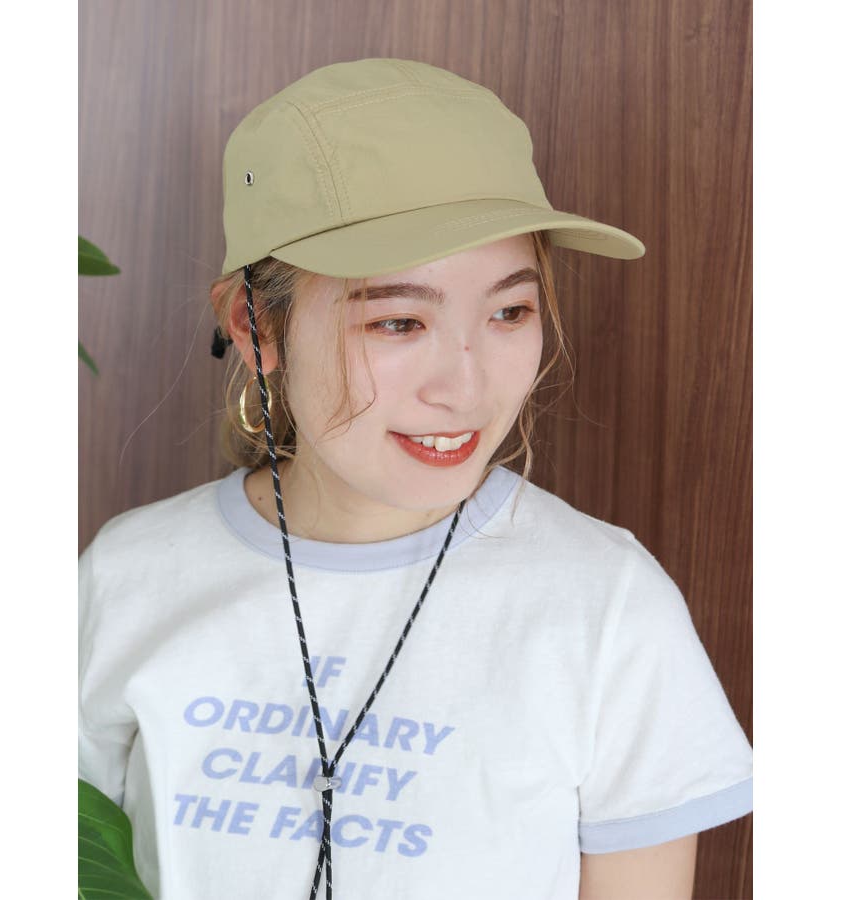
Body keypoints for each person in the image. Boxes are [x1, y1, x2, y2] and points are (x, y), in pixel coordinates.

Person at [79, 58, 753, 900]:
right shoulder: (129, 574)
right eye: (399, 321)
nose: (467, 388)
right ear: (255, 326)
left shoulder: (607, 607)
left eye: (509, 311)